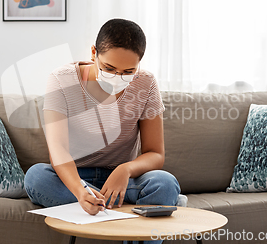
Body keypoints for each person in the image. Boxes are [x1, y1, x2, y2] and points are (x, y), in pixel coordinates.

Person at [25, 18, 186, 244]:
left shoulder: (146, 83)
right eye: (109, 68)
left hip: (123, 182)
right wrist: (81, 191)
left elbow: (155, 153)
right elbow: (58, 151)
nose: (117, 78)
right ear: (93, 53)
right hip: (75, 177)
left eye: (128, 71)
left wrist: (125, 170)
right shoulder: (61, 80)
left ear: (139, 64)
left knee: (165, 183)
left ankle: (101, 210)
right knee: (36, 177)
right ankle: (134, 212)